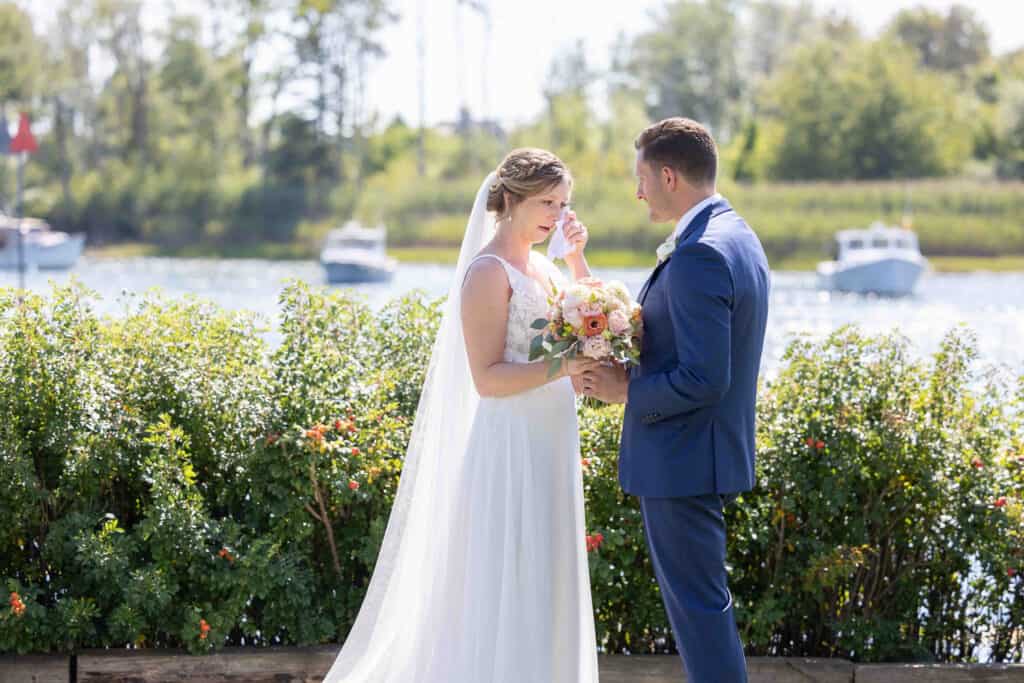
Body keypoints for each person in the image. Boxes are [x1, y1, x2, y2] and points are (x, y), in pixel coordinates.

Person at [322, 148, 601, 682]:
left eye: (562, 203)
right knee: (508, 578)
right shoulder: (487, 273)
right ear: (512, 200)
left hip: (551, 440)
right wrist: (563, 367)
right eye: (546, 202)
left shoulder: (543, 266)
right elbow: (488, 379)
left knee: (549, 575)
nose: (555, 214)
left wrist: (576, 259)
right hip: (510, 443)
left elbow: (590, 320)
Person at [580, 117, 771, 682]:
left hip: (684, 461)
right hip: (702, 457)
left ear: (668, 175)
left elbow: (705, 377)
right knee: (704, 612)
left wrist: (625, 391)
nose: (637, 193)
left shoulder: (700, 254)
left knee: (701, 618)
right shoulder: (736, 233)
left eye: (641, 179)